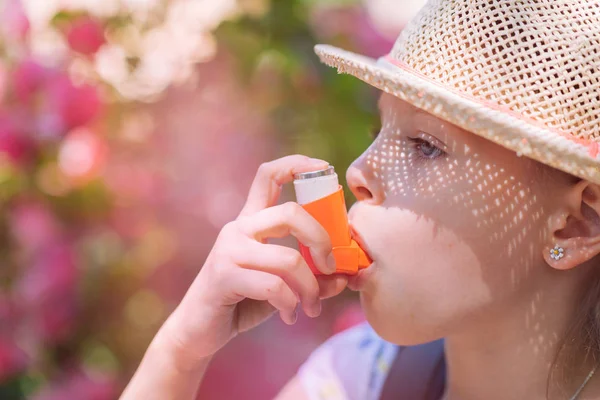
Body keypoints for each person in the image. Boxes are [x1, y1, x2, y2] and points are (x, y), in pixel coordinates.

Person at [120, 0, 600, 399]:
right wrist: (181, 353)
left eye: (425, 145)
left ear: (575, 224)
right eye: (379, 130)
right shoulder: (355, 379)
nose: (358, 172)